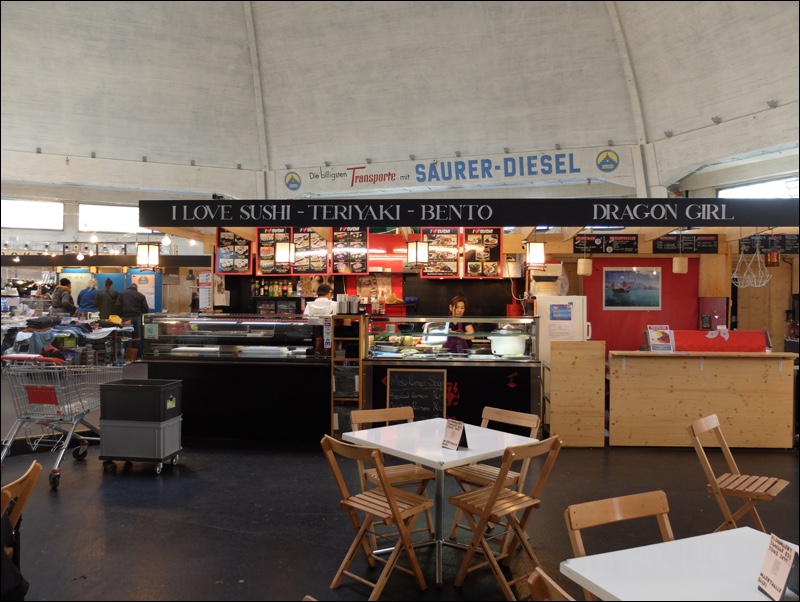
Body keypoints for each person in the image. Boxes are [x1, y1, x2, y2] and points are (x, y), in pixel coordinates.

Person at [116, 283, 149, 358]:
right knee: (137, 337)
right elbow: (145, 308)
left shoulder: (122, 294)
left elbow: (117, 305)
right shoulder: (141, 295)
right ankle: (136, 356)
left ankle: (128, 356)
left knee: (127, 337)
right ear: (136, 288)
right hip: (137, 318)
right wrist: (141, 314)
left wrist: (121, 316)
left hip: (126, 318)